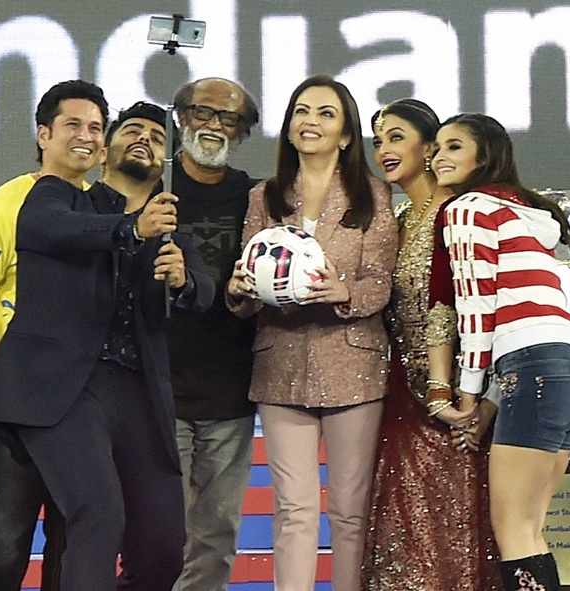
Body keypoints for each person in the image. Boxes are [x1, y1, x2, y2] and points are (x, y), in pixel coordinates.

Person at [0, 88, 215, 591]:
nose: (145, 140)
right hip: (66, 391)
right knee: (93, 518)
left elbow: (204, 292)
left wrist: (183, 280)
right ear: (105, 153)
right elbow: (49, 228)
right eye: (131, 131)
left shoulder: (169, 230)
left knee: (164, 544)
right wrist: (131, 228)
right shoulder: (59, 197)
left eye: (156, 136)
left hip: (139, 394)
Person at [227, 74, 398, 591]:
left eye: (326, 113)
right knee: (294, 510)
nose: (311, 121)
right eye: (302, 111)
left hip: (355, 367)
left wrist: (343, 291)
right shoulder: (267, 195)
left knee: (349, 513)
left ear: (346, 134)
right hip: (280, 365)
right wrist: (240, 287)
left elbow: (380, 285)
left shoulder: (373, 195)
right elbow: (246, 290)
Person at [0, 79, 106, 591]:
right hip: (19, 411)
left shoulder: (108, 209)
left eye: (96, 128)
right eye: (72, 125)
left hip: (86, 408)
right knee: (5, 540)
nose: (85, 137)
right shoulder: (6, 203)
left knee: (75, 543)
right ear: (43, 133)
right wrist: (9, 377)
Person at [434, 113, 570, 590]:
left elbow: (476, 310)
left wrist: (465, 396)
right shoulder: (524, 214)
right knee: (531, 530)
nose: (439, 156)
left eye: (454, 147)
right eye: (437, 147)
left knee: (515, 534)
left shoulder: (467, 210)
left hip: (532, 371)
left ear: (484, 158)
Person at [360, 99, 502, 590]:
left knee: (459, 536)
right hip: (406, 400)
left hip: (462, 403)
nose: (384, 150)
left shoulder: (461, 212)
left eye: (397, 138)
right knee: (404, 542)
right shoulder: (398, 221)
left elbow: (494, 308)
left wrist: (482, 399)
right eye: (378, 142)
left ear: (430, 147)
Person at [166, 77, 260, 591]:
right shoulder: (153, 190)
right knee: (161, 528)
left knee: (218, 530)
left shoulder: (256, 197)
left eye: (229, 118)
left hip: (231, 389)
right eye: (203, 112)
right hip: (158, 386)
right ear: (180, 117)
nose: (214, 125)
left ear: (242, 132)